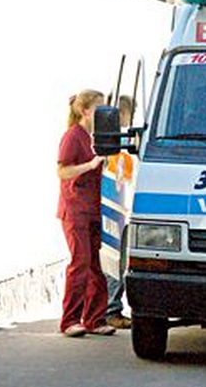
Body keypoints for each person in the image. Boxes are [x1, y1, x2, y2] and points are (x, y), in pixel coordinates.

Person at [56, 89, 116, 337]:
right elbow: (62, 171)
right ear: (85, 111)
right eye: (99, 110)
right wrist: (89, 165)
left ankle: (94, 318)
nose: (103, 115)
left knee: (94, 267)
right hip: (75, 209)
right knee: (80, 263)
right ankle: (69, 320)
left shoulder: (93, 137)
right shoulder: (72, 137)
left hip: (92, 209)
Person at [104, 94, 135, 329]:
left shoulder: (116, 143)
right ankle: (111, 310)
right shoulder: (119, 144)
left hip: (118, 209)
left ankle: (110, 308)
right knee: (117, 264)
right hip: (118, 210)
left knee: (117, 263)